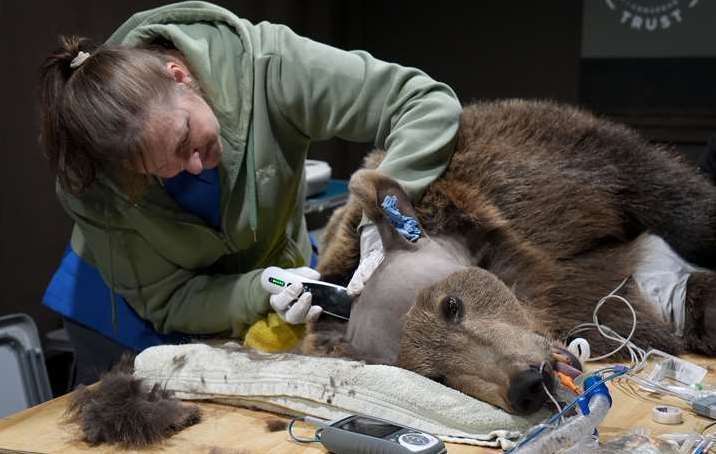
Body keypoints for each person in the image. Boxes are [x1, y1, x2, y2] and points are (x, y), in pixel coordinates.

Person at [39, 1, 461, 385]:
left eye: (187, 137)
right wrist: (255, 289)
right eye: (160, 167)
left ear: (180, 76)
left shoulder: (269, 65)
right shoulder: (93, 181)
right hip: (121, 319)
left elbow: (424, 103)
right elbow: (169, 299)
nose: (194, 166)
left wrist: (382, 213)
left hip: (271, 285)